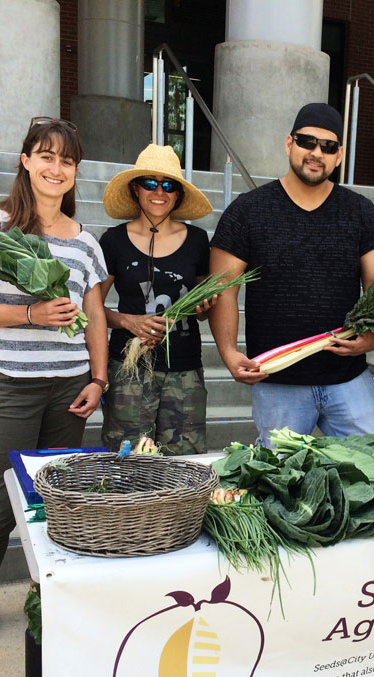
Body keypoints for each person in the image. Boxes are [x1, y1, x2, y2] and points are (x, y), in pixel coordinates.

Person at [0, 117, 108, 647]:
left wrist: (99, 378)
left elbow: (93, 314)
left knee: (54, 498)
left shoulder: (85, 242)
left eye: (66, 161)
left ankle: (46, 592)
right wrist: (30, 317)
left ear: (75, 172)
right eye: (46, 156)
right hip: (11, 385)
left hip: (68, 390)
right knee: (3, 501)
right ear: (26, 161)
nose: (56, 168)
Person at [208, 102, 374, 444]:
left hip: (349, 378)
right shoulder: (248, 211)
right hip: (278, 382)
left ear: (339, 156)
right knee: (281, 483)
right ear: (289, 143)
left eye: (328, 147)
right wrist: (229, 352)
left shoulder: (361, 213)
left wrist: (372, 338)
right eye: (307, 141)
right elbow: (223, 290)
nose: (316, 152)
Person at [98, 144, 215, 455]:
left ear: (178, 194)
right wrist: (127, 321)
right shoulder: (114, 240)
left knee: (184, 466)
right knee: (126, 463)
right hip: (129, 370)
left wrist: (204, 308)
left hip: (184, 371)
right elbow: (91, 308)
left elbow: (206, 306)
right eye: (150, 183)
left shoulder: (197, 241)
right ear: (136, 189)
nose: (159, 192)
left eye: (169, 185)